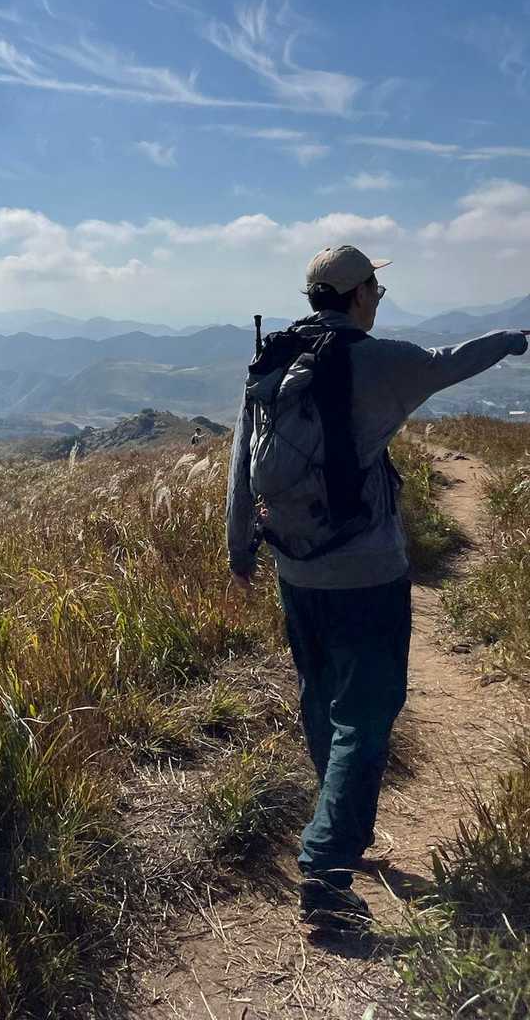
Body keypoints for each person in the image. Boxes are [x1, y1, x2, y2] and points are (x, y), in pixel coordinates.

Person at [225, 244, 530, 930]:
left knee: (321, 697)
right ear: (359, 294)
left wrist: (239, 547)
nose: (378, 302)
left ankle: (338, 821)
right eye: (376, 291)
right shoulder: (379, 361)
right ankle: (328, 867)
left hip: (295, 566)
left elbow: (241, 460)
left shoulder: (274, 358)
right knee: (366, 714)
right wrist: (513, 337)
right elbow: (452, 361)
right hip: (367, 573)